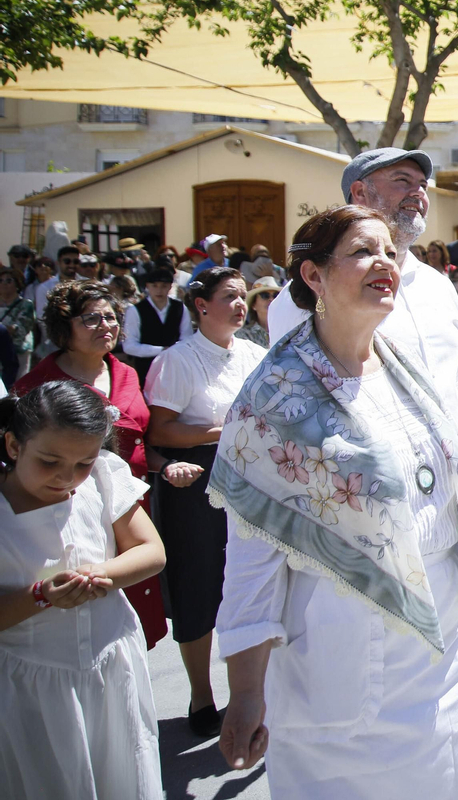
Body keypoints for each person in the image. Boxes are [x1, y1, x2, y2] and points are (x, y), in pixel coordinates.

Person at [213, 205, 458, 797]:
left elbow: (428, 477)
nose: (384, 263)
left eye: (389, 250)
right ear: (313, 276)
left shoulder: (403, 366)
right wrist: (247, 692)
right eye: (362, 251)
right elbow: (252, 559)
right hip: (350, 663)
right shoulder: (275, 400)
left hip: (450, 649)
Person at [268, 147, 458, 482]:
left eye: (423, 184)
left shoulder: (438, 287)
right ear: (360, 193)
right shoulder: (307, 298)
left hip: (449, 492)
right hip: (360, 493)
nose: (419, 193)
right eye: (403, 181)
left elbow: (452, 380)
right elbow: (293, 410)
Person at [0, 382, 168, 800]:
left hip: (112, 666)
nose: (66, 477)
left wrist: (102, 574)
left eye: (82, 463)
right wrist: (40, 595)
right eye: (49, 461)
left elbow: (151, 551)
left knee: (122, 772)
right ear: (13, 445)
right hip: (32, 685)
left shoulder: (104, 476)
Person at [144, 267, 267, 737]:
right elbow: (161, 430)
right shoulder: (178, 360)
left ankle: (247, 691)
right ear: (201, 305)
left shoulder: (254, 354)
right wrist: (227, 429)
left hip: (249, 476)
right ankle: (200, 694)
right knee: (198, 584)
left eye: (243, 297)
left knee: (249, 579)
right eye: (229, 297)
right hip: (194, 481)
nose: (240, 304)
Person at [17, 279, 168, 649]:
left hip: (132, 503)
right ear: (62, 327)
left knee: (136, 601)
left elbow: (143, 436)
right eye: (90, 318)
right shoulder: (38, 386)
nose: (106, 325)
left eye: (110, 317)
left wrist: (164, 465)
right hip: (73, 505)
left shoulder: (126, 372)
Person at [119, 264, 191, 384]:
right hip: (146, 369)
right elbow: (129, 346)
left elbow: (187, 338)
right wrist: (161, 350)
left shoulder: (180, 308)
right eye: (154, 286)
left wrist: (173, 351)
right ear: (147, 286)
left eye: (164, 286)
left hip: (175, 366)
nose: (159, 290)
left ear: (170, 287)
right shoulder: (135, 310)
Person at [0, 268, 36, 378]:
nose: (4, 284)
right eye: (0, 280)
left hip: (19, 353)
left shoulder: (26, 305)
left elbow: (21, 328)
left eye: (9, 280)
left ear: (17, 284)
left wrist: (6, 330)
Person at [238, 276, 280, 348]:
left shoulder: (289, 330)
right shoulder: (244, 334)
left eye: (275, 296)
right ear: (253, 305)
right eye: (265, 295)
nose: (271, 299)